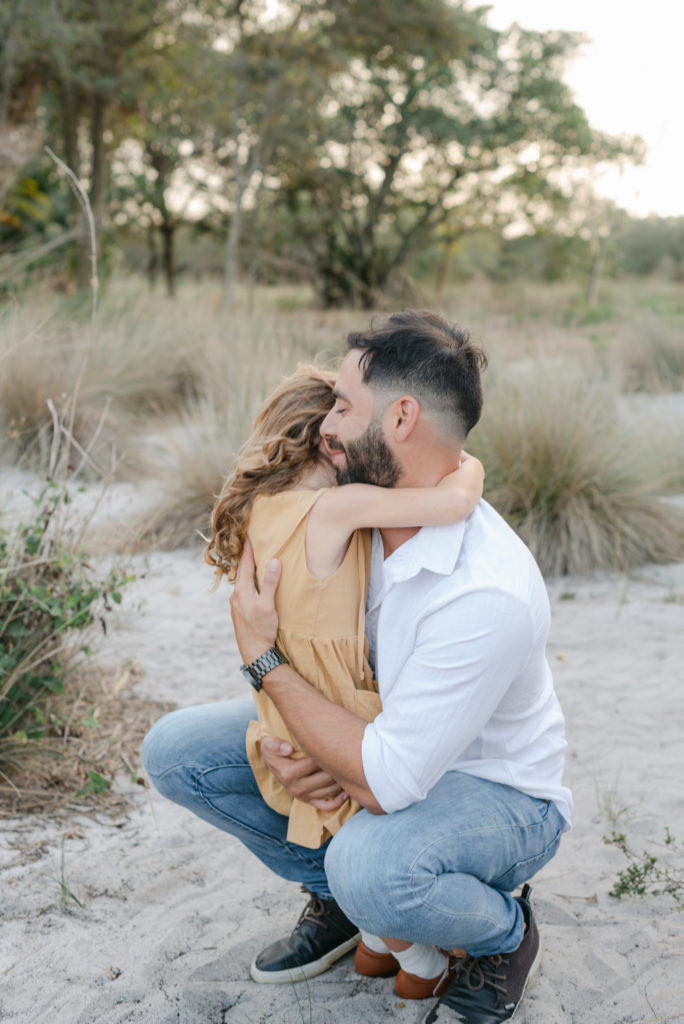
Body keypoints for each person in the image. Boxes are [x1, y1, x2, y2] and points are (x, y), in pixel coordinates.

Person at [143, 310, 572, 1024]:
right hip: (381, 752)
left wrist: (267, 669)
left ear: (402, 417)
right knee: (178, 753)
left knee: (372, 865)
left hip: (495, 794)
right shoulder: (345, 517)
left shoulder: (483, 592)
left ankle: (503, 933)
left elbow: (385, 779)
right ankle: (351, 908)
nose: (326, 427)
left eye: (343, 406)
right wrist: (292, 747)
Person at [205, 365, 484, 854]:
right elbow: (456, 503)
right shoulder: (336, 509)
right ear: (329, 443)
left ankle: (352, 914)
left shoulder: (264, 509)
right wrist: (470, 463)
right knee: (374, 847)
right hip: (335, 701)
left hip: (286, 707)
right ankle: (377, 929)